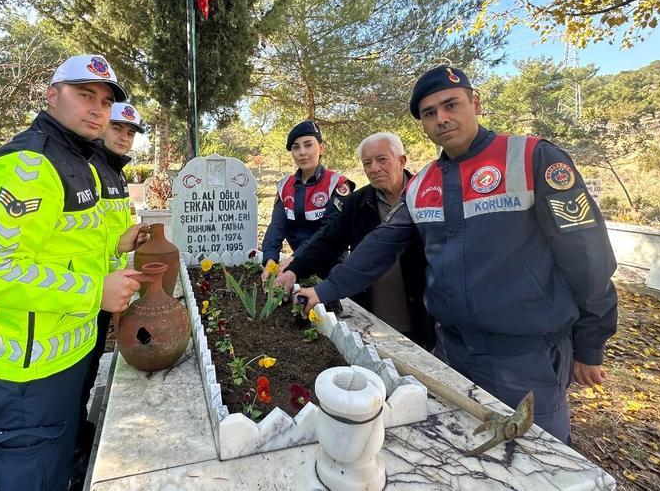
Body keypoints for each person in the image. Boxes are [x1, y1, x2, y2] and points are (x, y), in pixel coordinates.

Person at [289, 66, 618, 445]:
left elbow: (587, 255)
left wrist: (591, 341)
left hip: (526, 357)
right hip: (449, 352)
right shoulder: (424, 183)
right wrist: (325, 290)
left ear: (475, 103)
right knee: (459, 453)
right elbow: (380, 246)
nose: (442, 118)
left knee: (532, 459)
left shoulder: (531, 158)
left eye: (451, 105)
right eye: (429, 113)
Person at [0, 54, 148, 491]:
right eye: (84, 95)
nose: (97, 108)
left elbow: (64, 246)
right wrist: (94, 290)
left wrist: (115, 246)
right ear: (51, 96)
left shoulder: (78, 161)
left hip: (68, 355)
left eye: (104, 100)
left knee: (58, 472)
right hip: (27, 373)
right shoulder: (25, 166)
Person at [276, 132, 435, 350]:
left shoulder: (427, 198)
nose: (374, 168)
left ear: (402, 161)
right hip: (372, 316)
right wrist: (294, 269)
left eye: (382, 160)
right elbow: (327, 240)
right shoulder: (357, 203)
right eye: (367, 163)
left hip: (423, 318)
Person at [71, 102, 146, 482]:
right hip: (82, 293)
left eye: (131, 132)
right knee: (78, 375)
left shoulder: (114, 172)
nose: (123, 136)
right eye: (118, 127)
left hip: (105, 292)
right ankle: (74, 451)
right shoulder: (90, 169)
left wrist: (123, 243)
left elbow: (105, 237)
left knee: (89, 366)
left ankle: (79, 434)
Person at [260, 120, 354, 281]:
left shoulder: (337, 184)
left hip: (331, 269)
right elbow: (276, 227)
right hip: (297, 266)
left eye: (308, 145)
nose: (302, 152)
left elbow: (329, 231)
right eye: (296, 147)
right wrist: (270, 260)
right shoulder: (285, 186)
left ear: (321, 148)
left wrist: (296, 258)